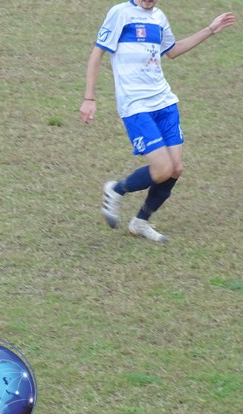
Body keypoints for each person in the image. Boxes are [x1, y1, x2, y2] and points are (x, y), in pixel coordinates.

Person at [80, 0, 235, 242]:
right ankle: (116, 189)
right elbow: (96, 54)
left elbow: (172, 50)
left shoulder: (159, 17)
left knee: (176, 169)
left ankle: (140, 222)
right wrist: (89, 98)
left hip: (164, 102)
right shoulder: (120, 13)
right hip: (135, 105)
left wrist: (210, 29)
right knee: (162, 170)